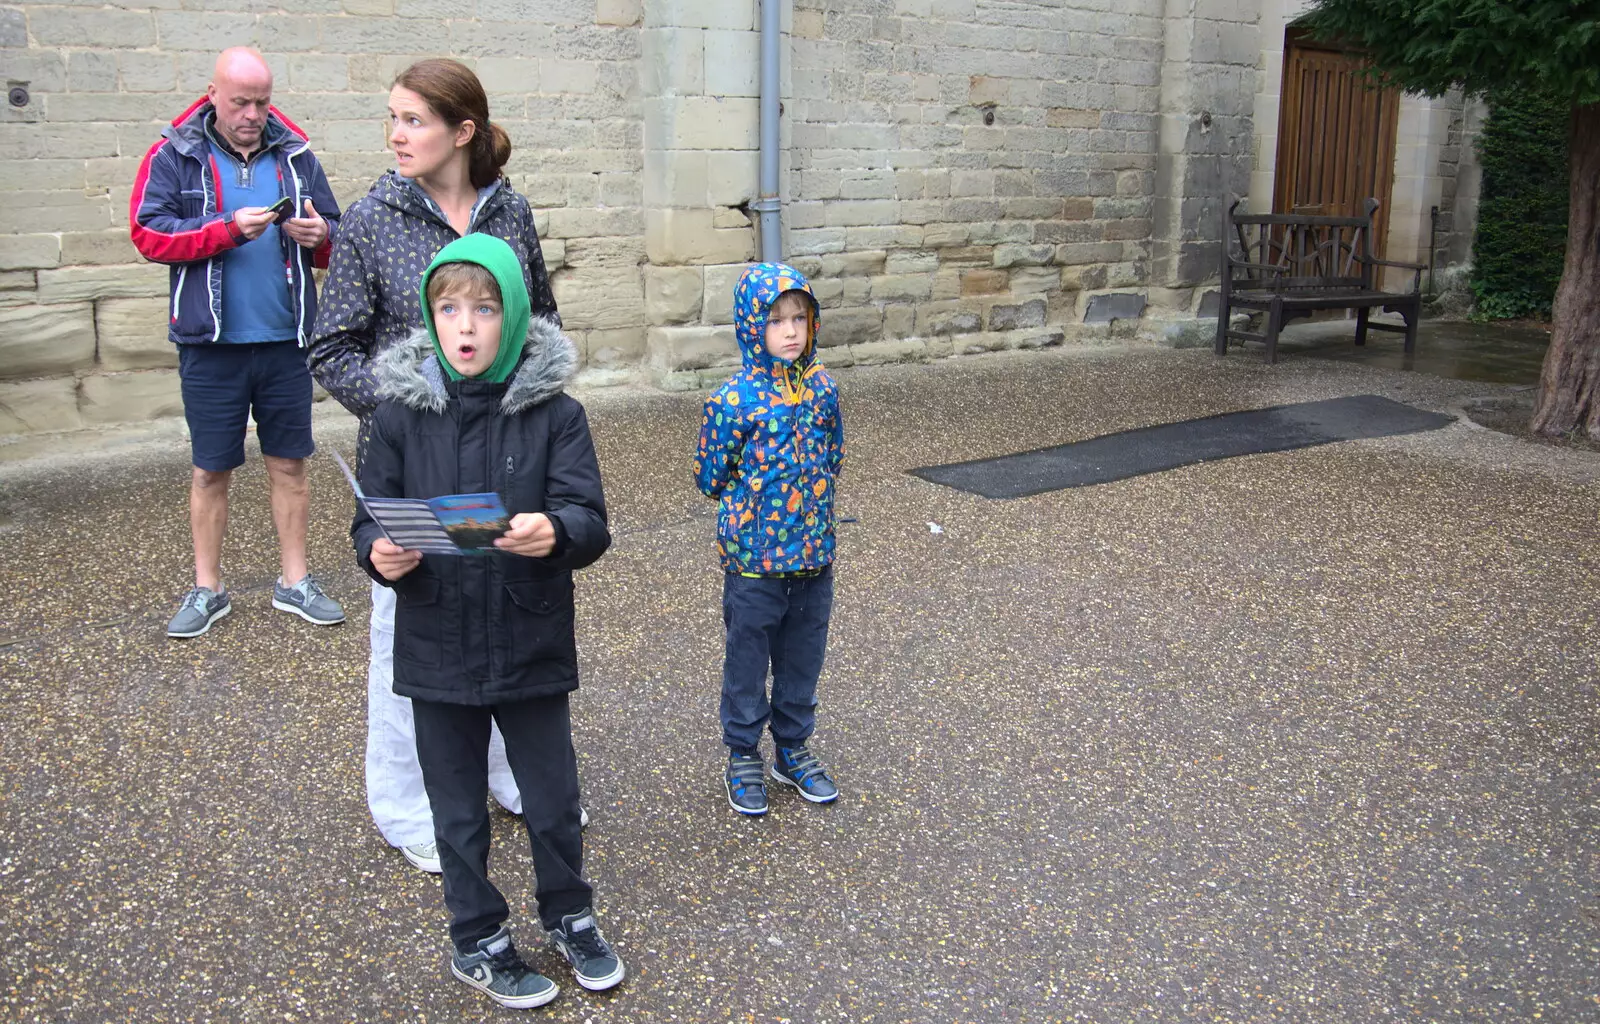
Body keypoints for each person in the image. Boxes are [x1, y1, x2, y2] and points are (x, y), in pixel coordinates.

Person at [309, 58, 565, 872]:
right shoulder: (370, 219)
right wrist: (403, 413)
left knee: (508, 608)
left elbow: (543, 324)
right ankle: (405, 802)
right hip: (414, 469)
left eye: (413, 120)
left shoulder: (510, 211)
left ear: (462, 132)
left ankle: (508, 774)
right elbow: (331, 345)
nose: (395, 134)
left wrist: (533, 411)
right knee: (413, 631)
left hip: (509, 456)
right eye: (391, 117)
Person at [355, 233, 621, 1008]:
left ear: (513, 318)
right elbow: (367, 524)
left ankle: (571, 915)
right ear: (431, 320)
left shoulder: (556, 414)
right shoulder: (397, 416)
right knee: (457, 806)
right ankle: (476, 937)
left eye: (483, 308)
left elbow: (591, 518)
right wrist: (382, 555)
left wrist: (557, 533)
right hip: (436, 640)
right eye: (448, 309)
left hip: (528, 631)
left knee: (550, 794)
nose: (465, 326)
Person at [131, 47, 345, 638]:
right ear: (213, 94)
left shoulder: (296, 156)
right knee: (210, 471)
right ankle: (208, 589)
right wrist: (225, 230)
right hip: (210, 345)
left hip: (285, 342)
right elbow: (148, 234)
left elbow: (337, 240)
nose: (253, 113)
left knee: (290, 466)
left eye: (262, 101)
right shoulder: (174, 154)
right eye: (240, 102)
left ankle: (294, 582)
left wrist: (319, 234)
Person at [693, 264, 846, 816]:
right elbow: (710, 476)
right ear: (751, 326)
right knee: (748, 660)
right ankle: (742, 753)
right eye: (775, 320)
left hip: (813, 555)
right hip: (754, 562)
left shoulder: (823, 389)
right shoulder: (733, 401)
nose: (789, 331)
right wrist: (753, 500)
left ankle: (793, 747)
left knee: (803, 657)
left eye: (798, 319)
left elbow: (833, 454)